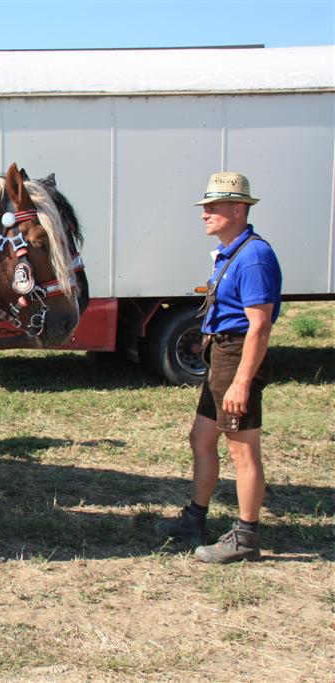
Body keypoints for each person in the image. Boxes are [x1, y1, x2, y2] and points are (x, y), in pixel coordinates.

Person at [159, 172, 282, 564]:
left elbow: (259, 326)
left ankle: (246, 538)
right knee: (201, 438)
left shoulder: (254, 257)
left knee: (242, 450)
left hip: (236, 357)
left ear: (238, 208)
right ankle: (194, 520)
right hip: (220, 355)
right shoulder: (233, 252)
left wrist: (241, 382)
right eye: (204, 207)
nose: (204, 214)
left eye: (213, 207)